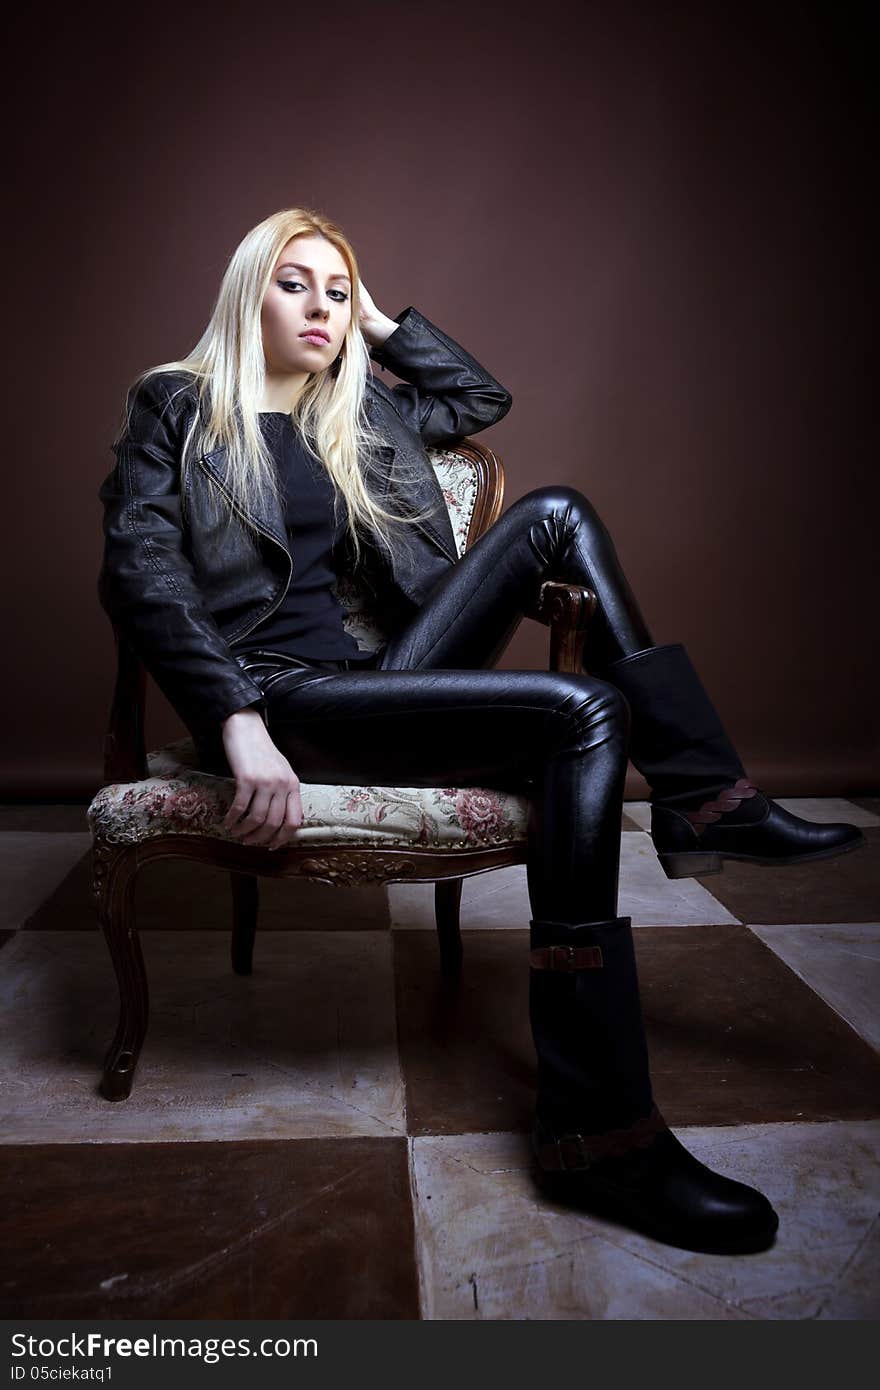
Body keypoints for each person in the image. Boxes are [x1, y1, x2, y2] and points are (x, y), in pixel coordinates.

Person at [97, 207, 861, 1256]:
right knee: (586, 712)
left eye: (336, 288)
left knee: (557, 510)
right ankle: (600, 1130)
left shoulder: (360, 413)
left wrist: (371, 318)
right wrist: (234, 720)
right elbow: (138, 571)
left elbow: (477, 398)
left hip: (374, 681)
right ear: (244, 295)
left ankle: (703, 801)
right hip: (280, 699)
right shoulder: (175, 408)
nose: (320, 305)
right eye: (295, 283)